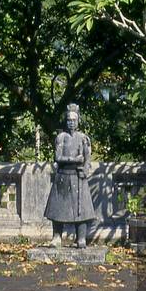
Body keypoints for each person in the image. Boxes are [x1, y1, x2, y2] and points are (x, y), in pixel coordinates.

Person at [44, 103, 95, 248]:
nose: (71, 123)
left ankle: (81, 239)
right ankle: (56, 237)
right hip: (63, 176)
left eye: (74, 120)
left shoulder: (84, 138)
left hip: (79, 177)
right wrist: (73, 160)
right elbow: (58, 157)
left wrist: (84, 170)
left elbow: (87, 158)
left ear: (78, 121)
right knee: (58, 210)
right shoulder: (61, 137)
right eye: (69, 120)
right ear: (65, 121)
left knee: (82, 210)